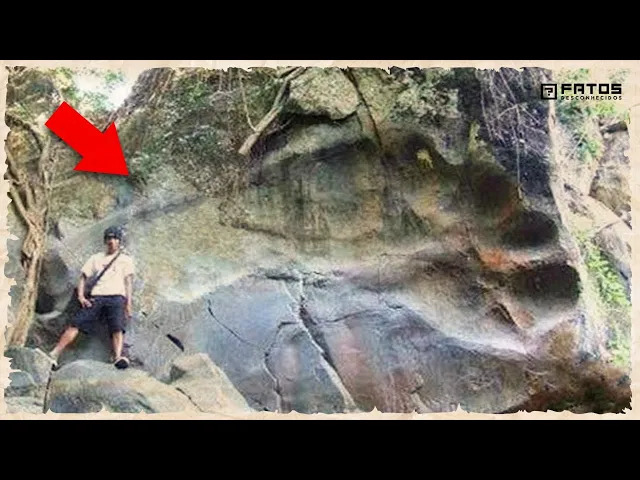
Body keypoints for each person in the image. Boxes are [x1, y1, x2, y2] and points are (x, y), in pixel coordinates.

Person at [44, 225, 135, 370]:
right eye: (109, 238)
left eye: (114, 238)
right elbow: (83, 277)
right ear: (105, 241)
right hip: (97, 297)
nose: (111, 241)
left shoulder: (126, 260)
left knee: (117, 328)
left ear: (119, 241)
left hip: (117, 297)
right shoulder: (96, 258)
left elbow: (128, 283)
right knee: (76, 323)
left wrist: (128, 304)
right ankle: (54, 353)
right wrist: (81, 296)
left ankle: (117, 357)